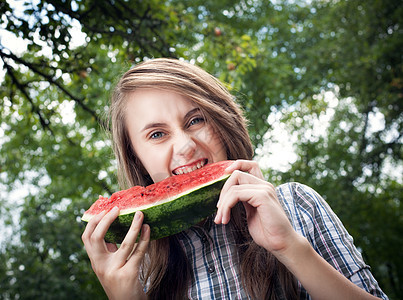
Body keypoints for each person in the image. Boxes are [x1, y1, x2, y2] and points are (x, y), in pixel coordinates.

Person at [82, 58, 388, 299]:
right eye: (157, 134)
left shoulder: (297, 205)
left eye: (196, 119)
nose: (186, 145)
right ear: (137, 157)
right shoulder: (136, 261)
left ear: (222, 120)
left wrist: (290, 248)